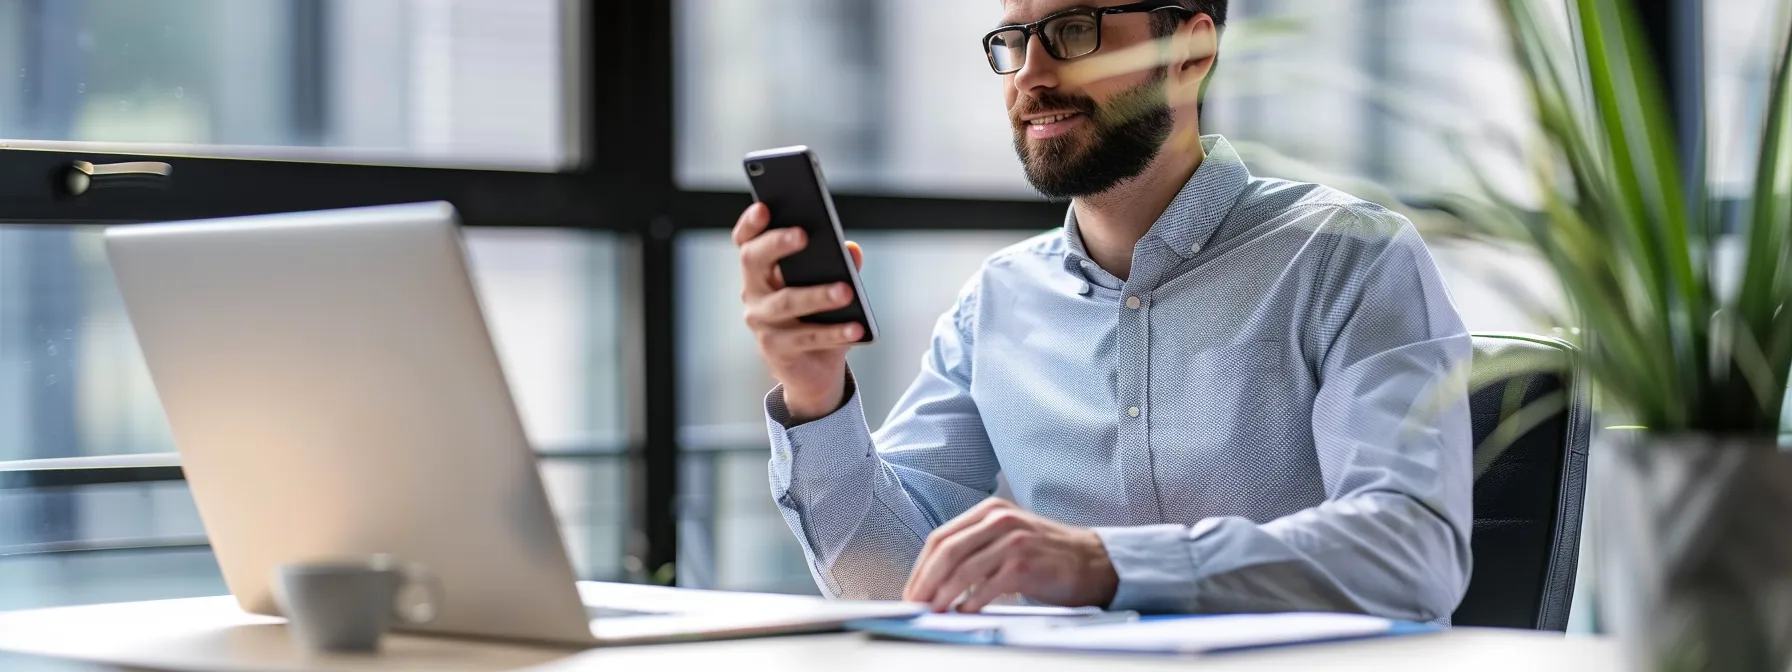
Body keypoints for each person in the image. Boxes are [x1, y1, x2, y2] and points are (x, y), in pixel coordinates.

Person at [730, 0, 1472, 621]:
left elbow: (1413, 552)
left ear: (1189, 50)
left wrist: (1106, 562)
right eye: (1013, 41)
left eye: (1073, 31)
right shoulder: (992, 304)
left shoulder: (1349, 257)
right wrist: (815, 393)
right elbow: (895, 579)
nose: (1031, 75)